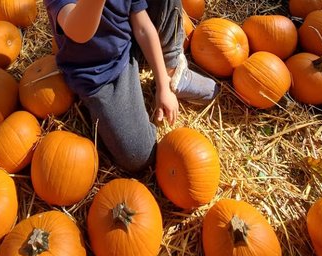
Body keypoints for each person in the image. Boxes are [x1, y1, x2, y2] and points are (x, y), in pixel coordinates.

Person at [45, 0, 219, 173]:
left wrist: (163, 84)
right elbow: (79, 32)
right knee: (139, 156)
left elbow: (142, 27)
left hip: (128, 41)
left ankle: (171, 69)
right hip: (100, 75)